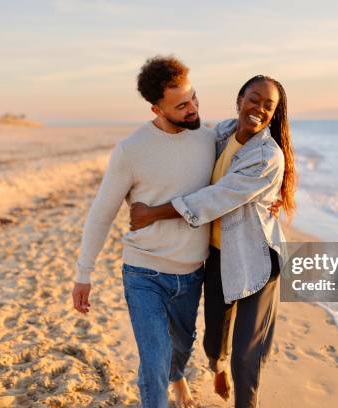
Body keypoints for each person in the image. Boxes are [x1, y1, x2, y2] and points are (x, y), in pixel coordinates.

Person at [130, 74, 297, 408]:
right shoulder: (220, 133)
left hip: (257, 261)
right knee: (213, 342)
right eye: (253, 99)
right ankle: (217, 367)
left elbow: (216, 197)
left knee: (246, 357)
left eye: (269, 106)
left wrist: (153, 213)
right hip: (220, 256)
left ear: (275, 114)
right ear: (238, 101)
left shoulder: (267, 156)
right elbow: (180, 143)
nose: (259, 109)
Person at [71, 56, 214, 408]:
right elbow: (101, 214)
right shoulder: (131, 151)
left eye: (193, 97)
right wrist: (83, 274)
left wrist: (272, 201)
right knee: (153, 362)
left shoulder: (210, 139)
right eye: (181, 105)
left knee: (181, 347)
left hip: (193, 271)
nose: (192, 108)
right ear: (156, 108)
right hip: (144, 272)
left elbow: (240, 179)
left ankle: (178, 377)